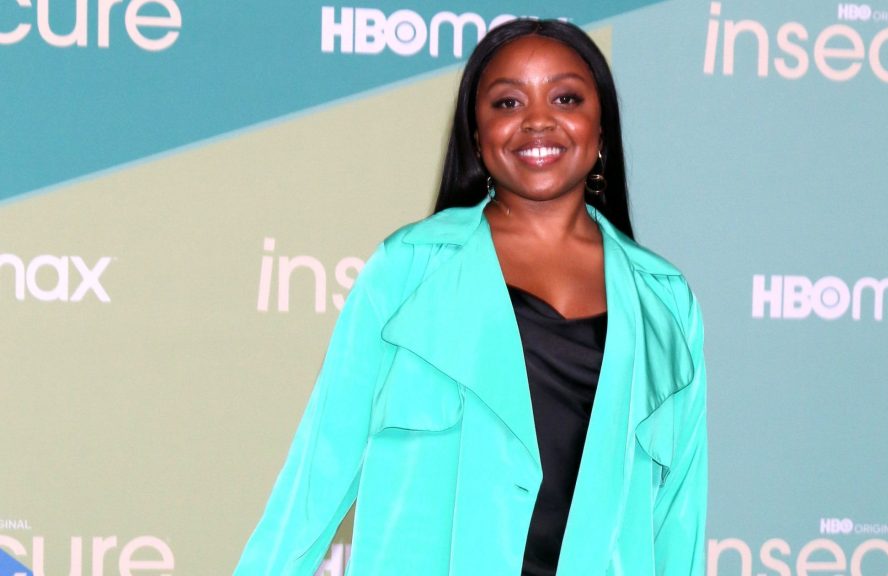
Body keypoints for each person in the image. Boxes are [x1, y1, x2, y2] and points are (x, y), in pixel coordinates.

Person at [235, 18, 707, 576]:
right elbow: (319, 472)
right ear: (476, 134)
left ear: (600, 129)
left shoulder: (665, 300)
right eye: (507, 103)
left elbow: (680, 519)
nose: (537, 121)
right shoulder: (409, 270)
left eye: (565, 97)